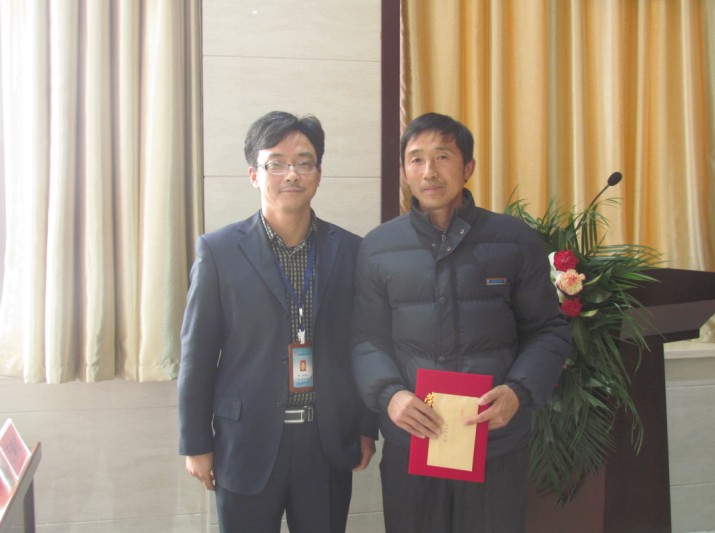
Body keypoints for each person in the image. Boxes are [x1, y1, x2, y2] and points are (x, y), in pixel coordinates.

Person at [351, 112, 572, 532]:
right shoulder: (378, 248)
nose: (429, 171)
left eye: (442, 156)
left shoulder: (514, 240)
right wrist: (390, 396)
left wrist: (519, 391)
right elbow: (365, 339)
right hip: (413, 442)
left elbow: (549, 330)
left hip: (494, 443)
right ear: (404, 172)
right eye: (416, 159)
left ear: (468, 167)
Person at [178, 111, 377, 533]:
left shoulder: (350, 250)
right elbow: (197, 356)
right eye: (277, 163)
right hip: (245, 442)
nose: (292, 174)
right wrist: (195, 443)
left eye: (304, 162)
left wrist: (365, 426)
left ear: (318, 174)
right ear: (254, 174)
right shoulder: (219, 251)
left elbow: (361, 345)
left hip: (324, 442)